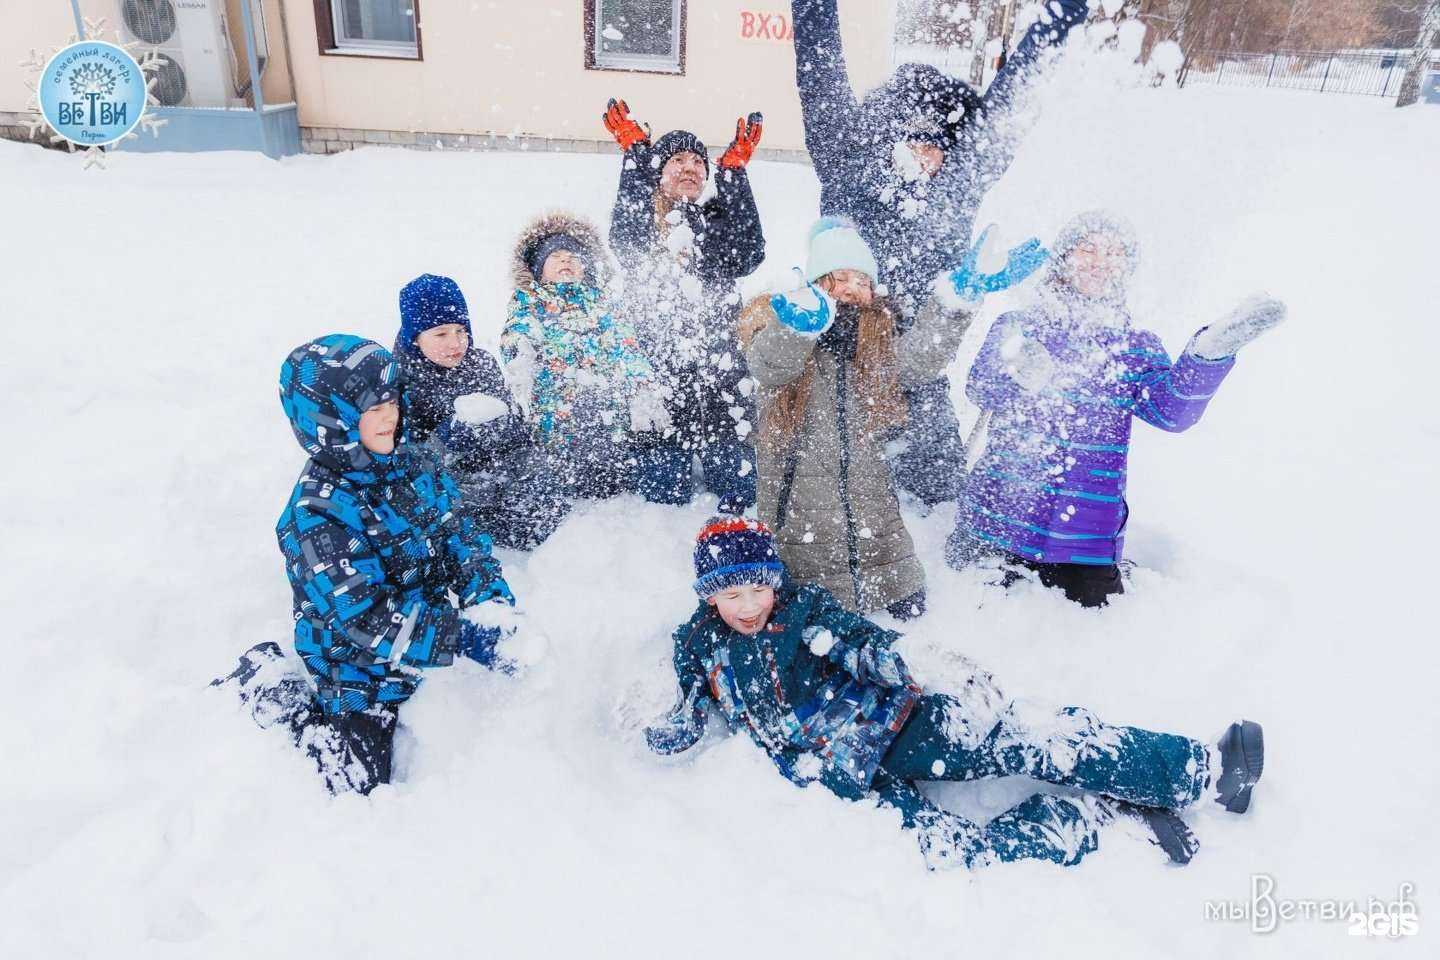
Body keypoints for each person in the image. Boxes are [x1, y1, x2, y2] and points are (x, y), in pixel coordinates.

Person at [645, 517, 1267, 870]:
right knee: (949, 855)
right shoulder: (700, 645)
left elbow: (860, 643)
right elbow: (690, 704)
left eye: (759, 589)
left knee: (1031, 738)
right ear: (709, 597)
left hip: (901, 722)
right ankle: (1087, 818)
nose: (749, 606)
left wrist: (910, 659)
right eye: (733, 595)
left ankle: (1201, 772)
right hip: (837, 777)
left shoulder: (803, 612)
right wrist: (672, 722)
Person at [789, 0, 1090, 507]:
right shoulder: (847, 166)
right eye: (915, 143)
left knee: (939, 488)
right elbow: (820, 73)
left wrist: (1056, 23)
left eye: (940, 147)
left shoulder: (957, 187)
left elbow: (1007, 109)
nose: (926, 158)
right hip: (833, 363)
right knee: (825, 492)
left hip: (916, 369)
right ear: (887, 136)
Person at [216, 335, 517, 796]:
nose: (390, 417)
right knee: (357, 780)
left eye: (391, 400)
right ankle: (269, 684)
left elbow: (460, 536)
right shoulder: (316, 515)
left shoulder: (413, 462)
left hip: (424, 627)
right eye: (370, 410)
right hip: (355, 661)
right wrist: (463, 637)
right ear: (330, 422)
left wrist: (488, 597)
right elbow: (365, 619)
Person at [945, 211, 1287, 607]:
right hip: (997, 522)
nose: (1098, 262)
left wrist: (1206, 357)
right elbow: (981, 389)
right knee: (977, 626)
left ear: (1126, 268)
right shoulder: (1018, 325)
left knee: (1089, 644)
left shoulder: (1135, 346)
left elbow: (1171, 413)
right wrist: (1016, 375)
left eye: (1113, 254)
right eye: (1087, 248)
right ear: (1063, 259)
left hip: (1085, 538)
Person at [737, 217, 1043, 619]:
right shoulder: (785, 328)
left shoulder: (874, 346)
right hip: (800, 538)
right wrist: (796, 329)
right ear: (817, 281)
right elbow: (769, 366)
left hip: (881, 548)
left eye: (862, 280)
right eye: (839, 276)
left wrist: (959, 298)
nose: (851, 288)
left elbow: (920, 359)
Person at [603, 99, 766, 513]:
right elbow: (625, 236)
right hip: (660, 390)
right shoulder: (645, 225)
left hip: (723, 391)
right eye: (677, 159)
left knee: (739, 496)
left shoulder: (715, 223)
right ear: (658, 174)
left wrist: (733, 176)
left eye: (698, 161)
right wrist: (638, 158)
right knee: (662, 501)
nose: (690, 167)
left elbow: (749, 253)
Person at [392, 273, 569, 549]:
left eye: (461, 331)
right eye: (440, 334)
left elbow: (517, 431)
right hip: (452, 485)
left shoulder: (481, 364)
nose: (455, 343)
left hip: (500, 468)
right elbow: (406, 461)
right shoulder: (402, 382)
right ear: (415, 338)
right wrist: (447, 439)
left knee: (549, 506)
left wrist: (509, 426)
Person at [501, 212, 667, 499]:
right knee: (559, 466)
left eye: (573, 257)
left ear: (585, 268)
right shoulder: (531, 301)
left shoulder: (602, 304)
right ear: (539, 270)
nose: (565, 260)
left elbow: (626, 346)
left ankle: (610, 473)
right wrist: (520, 353)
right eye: (555, 257)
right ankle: (561, 476)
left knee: (608, 469)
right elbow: (517, 330)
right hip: (556, 411)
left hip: (605, 412)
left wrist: (642, 385)